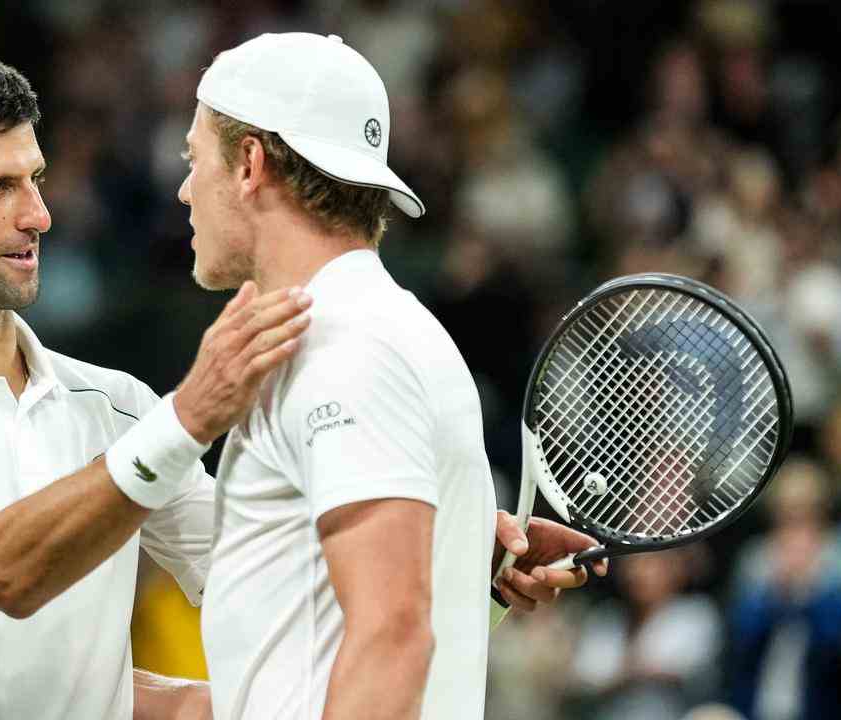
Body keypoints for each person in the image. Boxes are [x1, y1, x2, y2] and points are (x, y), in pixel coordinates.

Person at [0, 49, 596, 720]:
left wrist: (457, 564)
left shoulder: (119, 409)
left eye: (36, 179)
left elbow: (292, 606)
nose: (38, 216)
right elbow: (0, 570)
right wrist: (187, 417)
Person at [176, 33, 604, 719]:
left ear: (250, 162)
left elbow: (393, 641)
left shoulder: (349, 352)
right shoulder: (371, 333)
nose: (184, 189)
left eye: (194, 160)